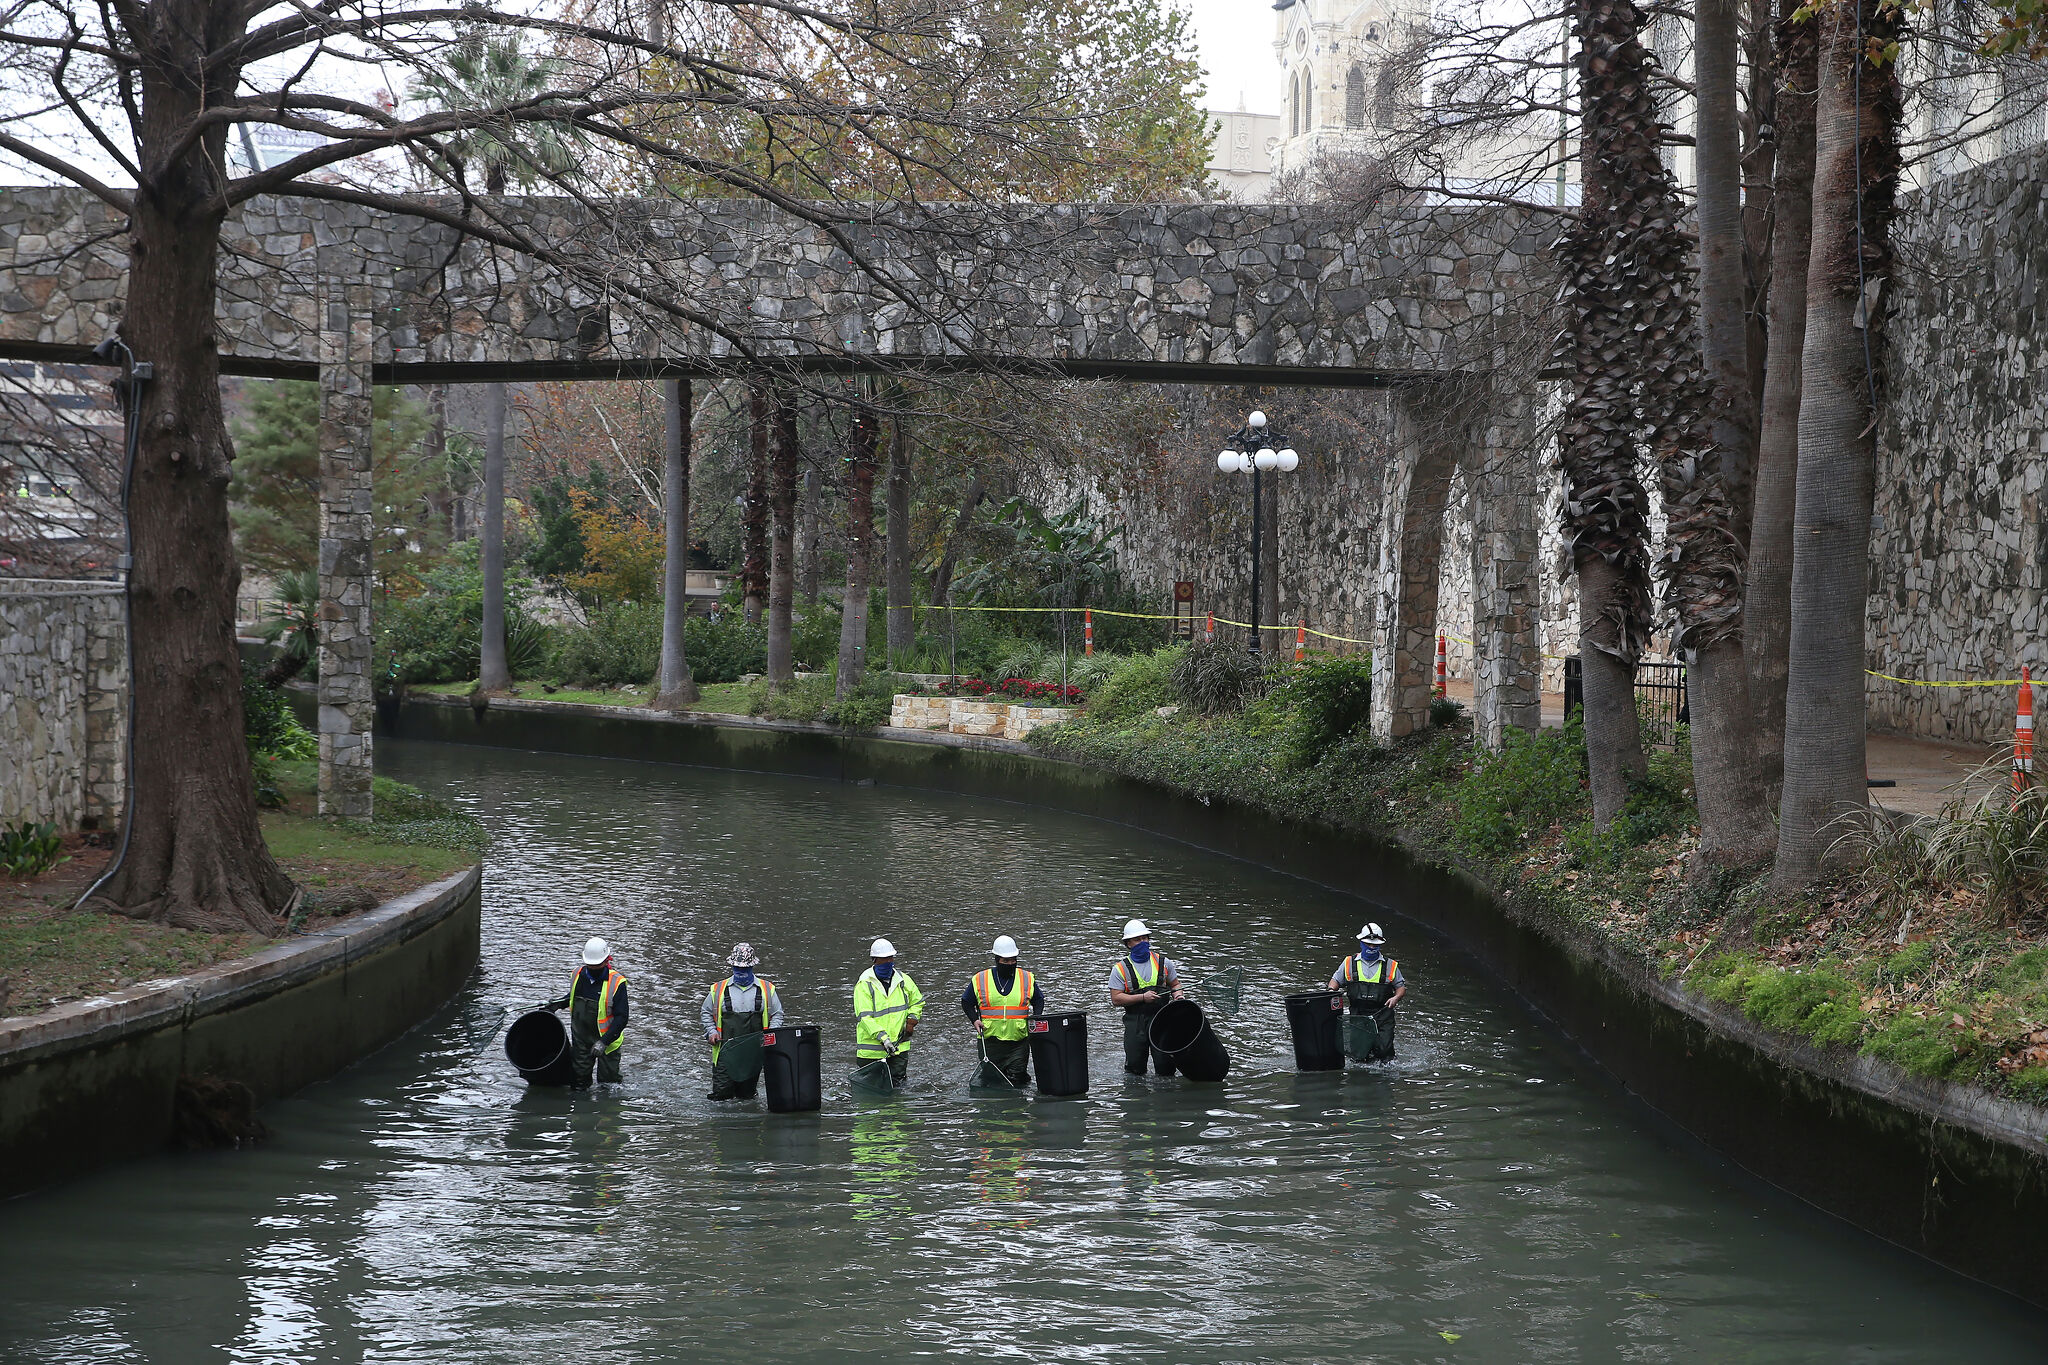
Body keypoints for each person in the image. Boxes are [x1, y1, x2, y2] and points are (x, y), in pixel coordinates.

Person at [700, 942, 784, 1101]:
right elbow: (705, 1012)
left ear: (752, 967)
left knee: (746, 1097)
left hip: (753, 1054)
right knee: (721, 1097)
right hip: (724, 1053)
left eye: (745, 969)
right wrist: (711, 1032)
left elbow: (778, 1014)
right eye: (738, 969)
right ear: (732, 967)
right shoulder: (718, 989)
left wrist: (771, 1033)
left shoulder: (767, 989)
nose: (741, 972)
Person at [959, 934, 1043, 1087]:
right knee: (991, 1081)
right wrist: (974, 1020)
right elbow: (966, 1001)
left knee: (1016, 1079)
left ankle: (1015, 1107)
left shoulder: (1027, 978)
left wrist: (1036, 1018)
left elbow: (1038, 999)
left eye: (1013, 960)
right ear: (997, 960)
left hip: (1018, 1042)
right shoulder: (980, 979)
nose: (1010, 963)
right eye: (1006, 961)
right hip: (990, 1043)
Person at [544, 936, 628, 1088]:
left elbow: (622, 1018)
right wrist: (555, 1005)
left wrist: (603, 1042)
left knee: (608, 1086)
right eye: (590, 965)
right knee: (578, 1082)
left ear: (606, 961)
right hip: (581, 1039)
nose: (593, 968)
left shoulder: (617, 983)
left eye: (597, 965)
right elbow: (572, 997)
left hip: (608, 1042)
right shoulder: (578, 974)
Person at [1107, 919, 1183, 1077]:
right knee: (1135, 1068)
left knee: (1166, 1068)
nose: (1143, 942)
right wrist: (1142, 997)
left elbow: (1175, 984)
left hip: (1162, 1021)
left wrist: (1179, 996)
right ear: (1128, 944)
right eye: (1138, 939)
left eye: (1145, 938)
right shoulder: (1119, 969)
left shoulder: (1164, 963)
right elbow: (1116, 999)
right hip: (1136, 1024)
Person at [1328, 921, 1405, 1061]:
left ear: (1380, 945)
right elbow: (1335, 981)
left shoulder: (1390, 966)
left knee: (1384, 1052)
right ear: (1361, 943)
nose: (1371, 947)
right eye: (1368, 944)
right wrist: (1330, 991)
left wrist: (1396, 998)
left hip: (1383, 1016)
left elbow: (1400, 987)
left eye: (1375, 945)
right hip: (1358, 1016)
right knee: (1358, 1055)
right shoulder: (1348, 963)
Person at [854, 938, 923, 1088]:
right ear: (875, 960)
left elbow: (917, 1002)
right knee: (872, 1091)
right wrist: (884, 1038)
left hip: (899, 1049)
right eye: (884, 959)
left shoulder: (903, 980)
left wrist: (911, 1021)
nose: (888, 962)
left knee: (898, 1088)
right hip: (871, 1053)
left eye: (890, 958)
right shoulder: (865, 984)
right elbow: (865, 1018)